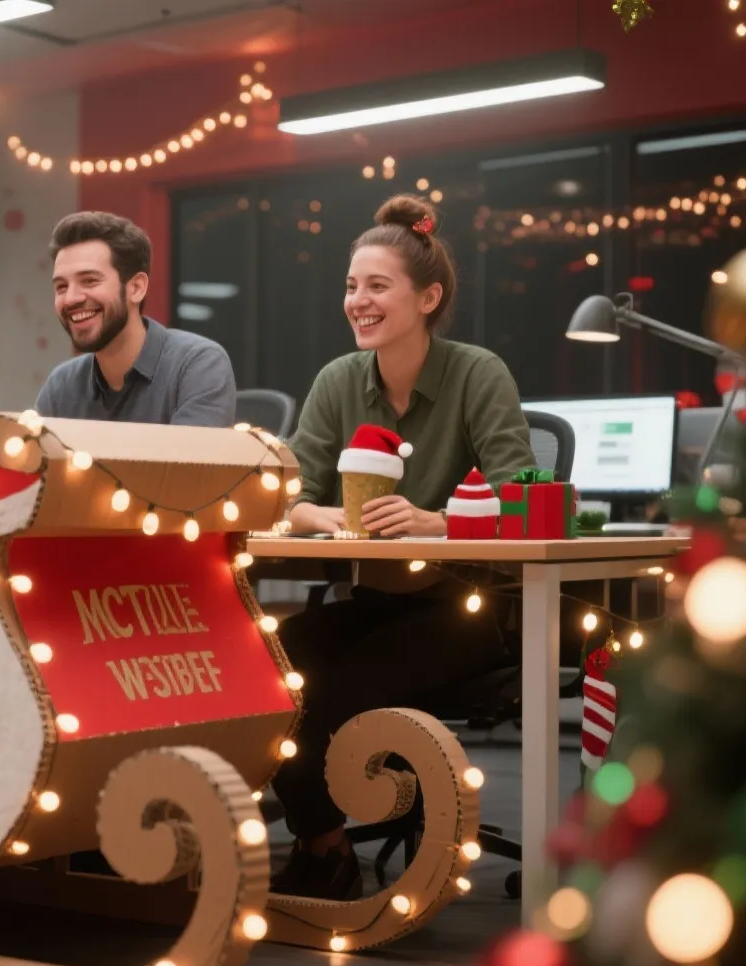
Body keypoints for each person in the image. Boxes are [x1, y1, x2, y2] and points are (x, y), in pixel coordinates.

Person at [270, 194, 534, 900]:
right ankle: (323, 846)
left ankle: (334, 844)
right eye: (352, 286)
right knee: (272, 666)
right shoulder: (337, 382)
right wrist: (320, 518)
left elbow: (523, 501)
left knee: (333, 691)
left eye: (377, 286)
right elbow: (284, 497)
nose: (358, 300)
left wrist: (437, 521)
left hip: (471, 610)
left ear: (428, 296)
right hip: (377, 600)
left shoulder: (477, 374)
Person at [35, 211, 236, 427]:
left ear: (136, 288)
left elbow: (189, 461)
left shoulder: (197, 365)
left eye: (90, 281)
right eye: (61, 287)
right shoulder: (62, 385)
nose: (71, 298)